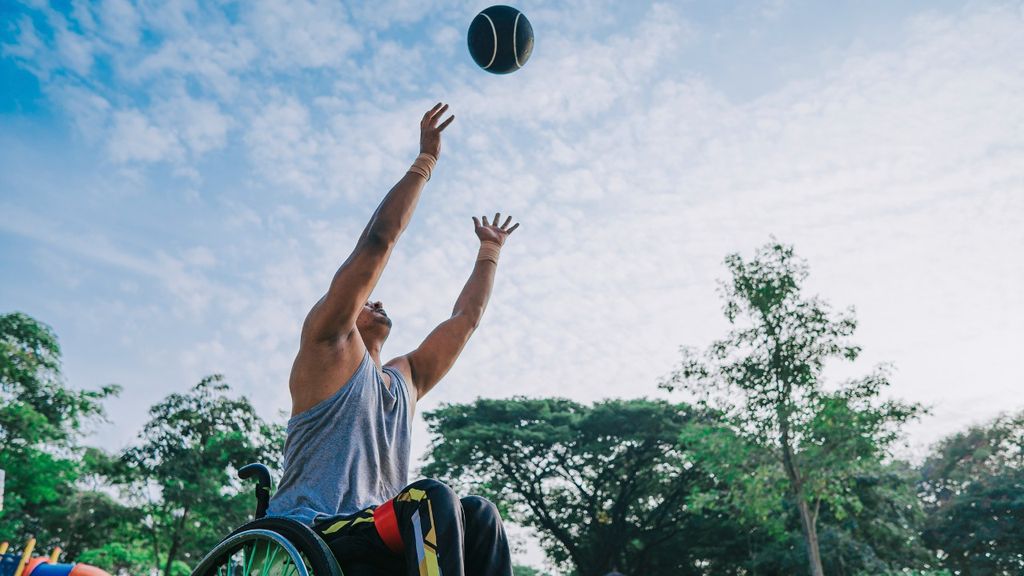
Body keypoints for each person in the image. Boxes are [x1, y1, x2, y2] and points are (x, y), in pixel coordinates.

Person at [266, 103, 518, 576]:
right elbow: (377, 243)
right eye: (367, 300)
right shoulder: (329, 344)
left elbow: (465, 320)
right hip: (314, 533)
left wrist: (489, 252)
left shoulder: (406, 379)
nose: (377, 300)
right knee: (428, 497)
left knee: (480, 513)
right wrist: (425, 161)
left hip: (381, 533)